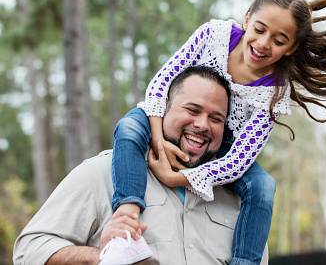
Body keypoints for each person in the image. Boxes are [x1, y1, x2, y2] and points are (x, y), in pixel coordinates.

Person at [108, 0, 326, 265]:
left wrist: (176, 177)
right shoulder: (213, 35)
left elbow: (238, 161)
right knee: (128, 127)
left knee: (263, 187)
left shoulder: (275, 91)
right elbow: (162, 81)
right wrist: (158, 139)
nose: (264, 43)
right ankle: (126, 228)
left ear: (291, 48)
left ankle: (245, 262)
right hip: (171, 118)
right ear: (246, 19)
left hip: (225, 143)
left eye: (279, 40)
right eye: (259, 29)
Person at [13, 66, 268, 265]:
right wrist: (101, 256)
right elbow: (28, 251)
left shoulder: (243, 203)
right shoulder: (101, 173)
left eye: (216, 118)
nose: (202, 125)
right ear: (163, 108)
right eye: (192, 110)